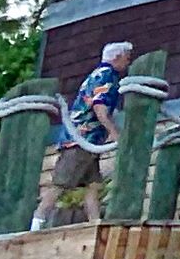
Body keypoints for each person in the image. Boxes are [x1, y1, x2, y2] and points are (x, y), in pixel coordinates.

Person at [42, 40, 131, 217]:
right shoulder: (107, 76)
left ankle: (94, 223)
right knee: (62, 183)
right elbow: (100, 108)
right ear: (117, 57)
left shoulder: (97, 74)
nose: (128, 62)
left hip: (87, 140)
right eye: (127, 58)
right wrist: (115, 134)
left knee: (93, 185)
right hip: (82, 140)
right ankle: (37, 222)